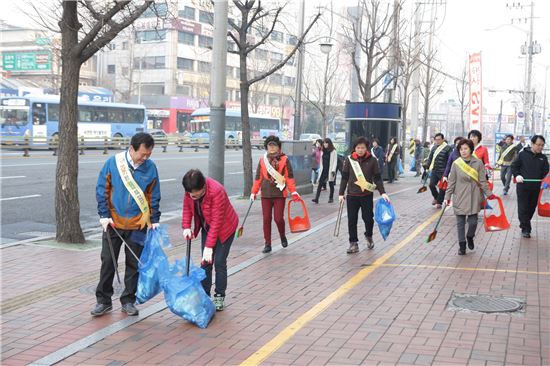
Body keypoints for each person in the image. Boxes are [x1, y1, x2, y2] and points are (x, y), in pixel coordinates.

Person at [92, 132, 161, 317]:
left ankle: (128, 300)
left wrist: (154, 220)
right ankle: (103, 300)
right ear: (131, 149)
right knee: (108, 261)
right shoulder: (113, 163)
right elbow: (102, 189)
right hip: (113, 222)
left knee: (134, 264)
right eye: (143, 154)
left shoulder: (151, 168)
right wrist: (104, 215)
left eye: (149, 154)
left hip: (138, 225)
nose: (145, 157)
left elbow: (153, 195)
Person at [181, 169, 238, 311]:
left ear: (203, 187)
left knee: (218, 262)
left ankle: (219, 295)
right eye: (190, 194)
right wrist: (186, 226)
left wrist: (209, 247)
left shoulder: (217, 191)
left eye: (196, 194)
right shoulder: (190, 189)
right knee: (206, 262)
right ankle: (205, 295)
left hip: (225, 228)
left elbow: (217, 222)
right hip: (207, 227)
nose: (193, 197)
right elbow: (187, 208)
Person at [339, 137, 390, 254]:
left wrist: (383, 193)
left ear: (366, 148)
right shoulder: (349, 160)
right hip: (352, 195)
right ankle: (353, 243)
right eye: (358, 148)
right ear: (354, 149)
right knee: (352, 219)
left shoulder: (372, 160)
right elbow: (345, 177)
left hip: (366, 195)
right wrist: (341, 193)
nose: (360, 150)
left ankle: (369, 235)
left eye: (362, 148)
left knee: (368, 218)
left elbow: (377, 178)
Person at [444, 139, 495, 255]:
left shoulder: (478, 163)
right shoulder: (456, 163)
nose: (463, 151)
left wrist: (489, 193)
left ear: (471, 149)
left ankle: (470, 236)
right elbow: (451, 182)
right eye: (461, 149)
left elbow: (483, 181)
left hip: (474, 196)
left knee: (473, 222)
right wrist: (447, 197)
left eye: (465, 148)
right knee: (460, 223)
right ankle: (462, 246)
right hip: (460, 196)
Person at [251, 136, 300, 253]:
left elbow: (289, 177)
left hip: (279, 193)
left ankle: (282, 235)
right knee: (266, 219)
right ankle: (267, 243)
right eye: (269, 145)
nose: (272, 148)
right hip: (266, 194)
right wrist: (254, 192)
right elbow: (258, 178)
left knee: (278, 219)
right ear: (266, 147)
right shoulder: (263, 160)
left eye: (274, 145)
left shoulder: (284, 159)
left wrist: (293, 191)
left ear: (278, 147)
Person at [511, 135, 549, 238]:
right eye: (538, 145)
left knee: (531, 208)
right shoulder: (522, 155)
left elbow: (546, 173)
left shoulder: (543, 158)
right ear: (532, 144)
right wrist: (517, 175)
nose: (540, 147)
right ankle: (526, 229)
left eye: (542, 145)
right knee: (523, 208)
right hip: (523, 187)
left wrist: (546, 181)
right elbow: (514, 166)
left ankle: (524, 222)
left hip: (536, 188)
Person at [426, 133, 452, 208]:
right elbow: (430, 158)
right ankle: (436, 197)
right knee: (431, 185)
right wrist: (427, 167)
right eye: (436, 140)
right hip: (434, 170)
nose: (437, 141)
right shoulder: (434, 147)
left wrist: (448, 171)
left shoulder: (448, 148)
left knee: (442, 187)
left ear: (443, 139)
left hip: (443, 171)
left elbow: (450, 160)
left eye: (439, 139)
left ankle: (439, 202)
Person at [312, 138, 338, 204]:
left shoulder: (333, 151)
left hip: (330, 170)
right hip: (323, 170)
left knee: (331, 184)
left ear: (329, 143)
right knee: (320, 184)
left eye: (326, 143)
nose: (325, 144)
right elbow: (321, 161)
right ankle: (316, 198)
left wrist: (333, 170)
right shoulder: (323, 151)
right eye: (324, 143)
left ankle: (331, 198)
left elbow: (335, 161)